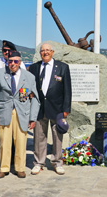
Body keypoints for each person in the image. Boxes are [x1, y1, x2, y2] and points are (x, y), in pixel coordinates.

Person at [0, 51, 40, 179]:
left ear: (20, 62)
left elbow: (35, 98)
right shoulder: (0, 74)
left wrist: (33, 117)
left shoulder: (29, 77)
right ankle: (4, 168)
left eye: (15, 61)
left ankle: (20, 168)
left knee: (21, 141)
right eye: (10, 61)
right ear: (7, 62)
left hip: (22, 113)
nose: (13, 64)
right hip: (5, 112)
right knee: (4, 142)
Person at [28, 43, 72, 175]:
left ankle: (57, 162)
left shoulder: (63, 67)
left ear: (52, 52)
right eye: (43, 51)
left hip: (57, 108)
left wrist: (66, 109)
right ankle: (38, 162)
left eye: (48, 50)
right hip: (40, 108)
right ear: (40, 53)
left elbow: (67, 90)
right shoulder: (34, 67)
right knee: (39, 137)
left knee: (57, 137)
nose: (45, 52)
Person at [0, 40, 25, 164]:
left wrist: (22, 102)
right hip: (2, 104)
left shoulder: (19, 64)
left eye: (9, 51)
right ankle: (0, 157)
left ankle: (13, 158)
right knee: (0, 133)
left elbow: (23, 85)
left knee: (15, 134)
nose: (6, 53)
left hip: (16, 105)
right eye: (4, 51)